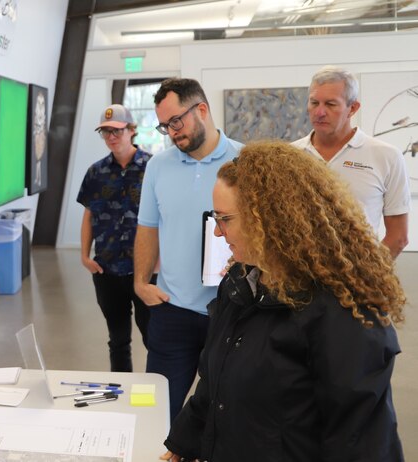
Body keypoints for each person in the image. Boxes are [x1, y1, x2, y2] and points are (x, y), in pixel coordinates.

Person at [162, 141, 405, 462]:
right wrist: (183, 443)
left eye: (224, 219)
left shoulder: (345, 313)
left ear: (270, 219)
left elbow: (361, 441)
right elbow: (213, 384)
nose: (218, 233)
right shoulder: (239, 284)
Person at [134, 78, 242, 421]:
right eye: (164, 125)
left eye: (175, 121)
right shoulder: (158, 166)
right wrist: (140, 284)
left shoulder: (246, 161)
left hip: (233, 310)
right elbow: (148, 227)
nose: (171, 132)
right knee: (156, 412)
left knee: (229, 413)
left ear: (202, 110)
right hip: (172, 310)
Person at [293, 65, 410, 258]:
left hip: (360, 281)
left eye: (330, 104)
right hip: (297, 279)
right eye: (314, 103)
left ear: (353, 108)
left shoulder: (386, 156)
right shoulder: (289, 155)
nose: (319, 112)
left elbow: (398, 237)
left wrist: (366, 277)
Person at [76, 104, 153, 372]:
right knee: (118, 340)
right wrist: (85, 257)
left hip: (144, 271)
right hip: (107, 271)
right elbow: (89, 215)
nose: (112, 137)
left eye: (117, 131)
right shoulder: (96, 173)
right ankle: (122, 393)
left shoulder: (153, 167)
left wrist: (159, 262)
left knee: (154, 338)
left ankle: (159, 393)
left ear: (132, 131)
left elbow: (167, 217)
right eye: (106, 131)